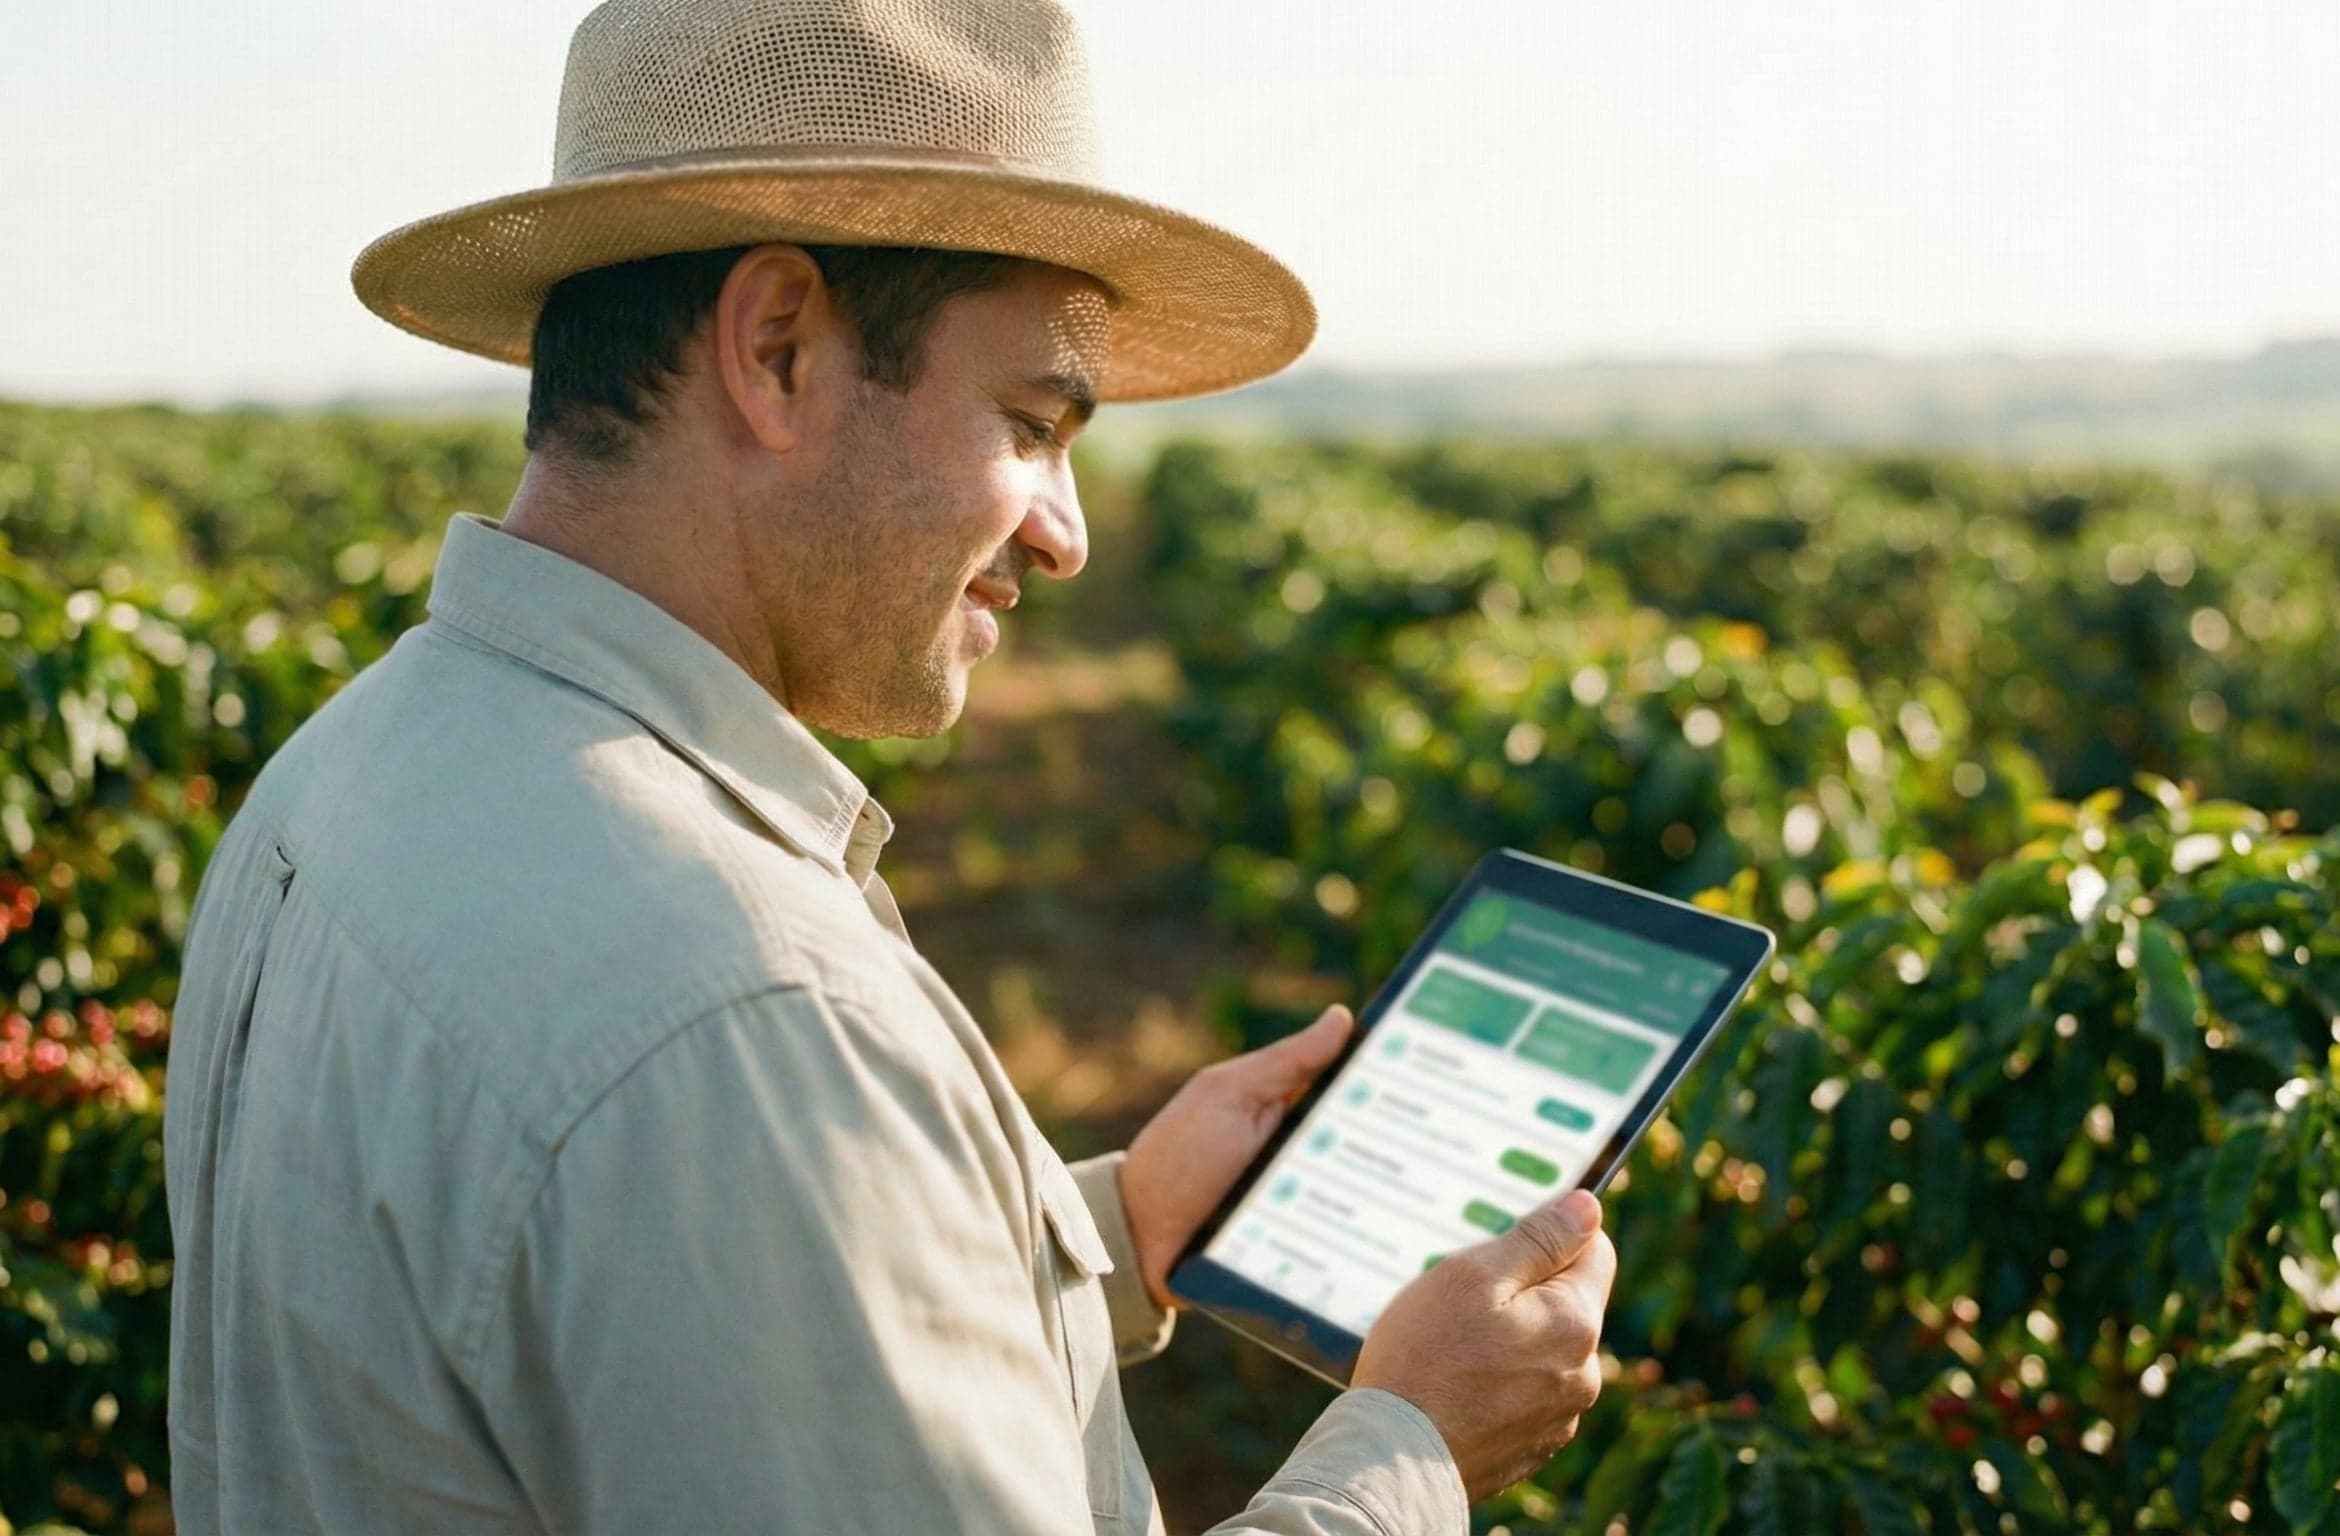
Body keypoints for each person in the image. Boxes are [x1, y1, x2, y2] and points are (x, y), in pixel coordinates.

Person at [161, 1, 1617, 1531]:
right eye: (1031, 422)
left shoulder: (341, 776)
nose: (1066, 534)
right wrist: (1410, 1452)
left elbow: (629, 1352)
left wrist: (1115, 1231)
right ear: (776, 350)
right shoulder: (743, 1011)